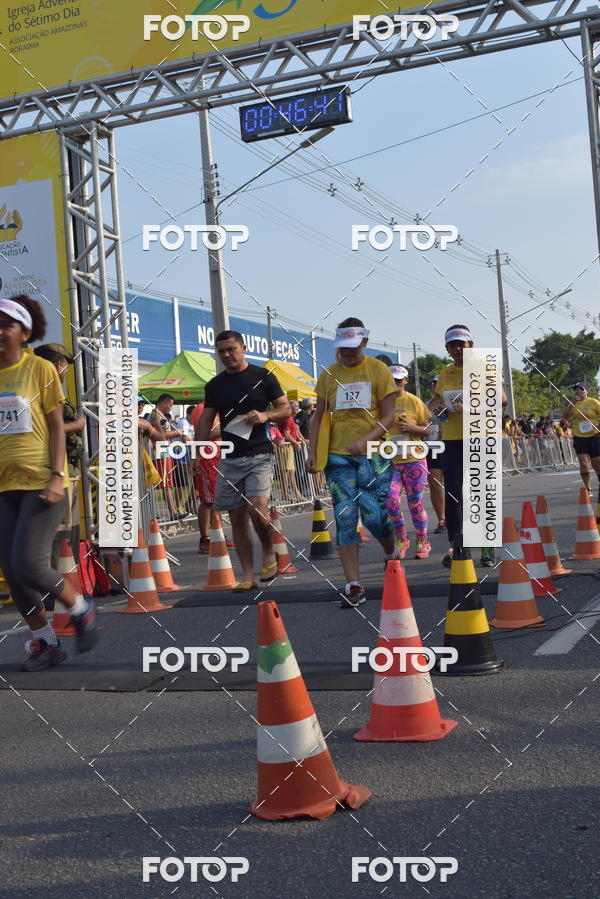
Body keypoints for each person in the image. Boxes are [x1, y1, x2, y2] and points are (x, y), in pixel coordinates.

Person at [0, 294, 98, 671]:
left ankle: (80, 607)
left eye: (6, 325)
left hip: (42, 482)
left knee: (27, 563)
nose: (0, 332)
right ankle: (46, 643)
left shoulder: (39, 370)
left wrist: (58, 475)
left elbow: (58, 427)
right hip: (3, 487)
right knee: (11, 571)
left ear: (24, 333)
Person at [306, 317, 398, 608]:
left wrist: (366, 441)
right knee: (345, 518)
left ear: (364, 343)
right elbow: (318, 416)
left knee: (374, 517)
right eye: (342, 347)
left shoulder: (378, 370)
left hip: (374, 456)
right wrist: (312, 452)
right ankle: (353, 584)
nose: (346, 352)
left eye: (352, 347)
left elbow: (389, 417)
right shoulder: (329, 375)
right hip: (338, 456)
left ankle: (390, 552)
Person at [195, 331, 291, 591]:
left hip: (259, 453)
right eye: (221, 351)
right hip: (229, 456)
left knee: (257, 507)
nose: (227, 355)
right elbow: (206, 420)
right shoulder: (215, 385)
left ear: (243, 348)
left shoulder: (263, 377)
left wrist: (265, 415)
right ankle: (248, 574)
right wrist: (198, 451)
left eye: (231, 349)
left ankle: (269, 551)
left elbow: (286, 408)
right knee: (236, 517)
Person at [429, 324, 507, 568]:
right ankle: (457, 548)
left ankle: (486, 548)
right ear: (447, 349)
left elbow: (502, 400)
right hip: (452, 439)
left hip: (480, 437)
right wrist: (437, 409)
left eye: (462, 344)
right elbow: (437, 403)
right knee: (453, 493)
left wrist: (474, 408)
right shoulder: (444, 374)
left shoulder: (485, 368)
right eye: (453, 345)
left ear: (471, 345)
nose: (458, 348)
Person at [34, 343, 85, 571]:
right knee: (60, 529)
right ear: (58, 365)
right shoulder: (42, 390)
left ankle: (68, 576)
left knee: (70, 527)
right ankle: (59, 581)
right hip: (54, 469)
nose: (66, 372)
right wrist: (77, 424)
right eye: (65, 366)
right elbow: (48, 428)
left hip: (67, 468)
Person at [385, 364, 431, 559]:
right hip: (390, 461)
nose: (395, 384)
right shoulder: (382, 403)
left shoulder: (414, 401)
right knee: (390, 501)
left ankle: (422, 541)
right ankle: (402, 538)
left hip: (414, 460)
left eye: (398, 380)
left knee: (415, 503)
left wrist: (413, 428)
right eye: (391, 380)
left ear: (405, 380)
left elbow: (429, 429)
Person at [189, 402, 234, 554]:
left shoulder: (216, 409)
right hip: (208, 457)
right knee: (208, 501)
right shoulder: (203, 409)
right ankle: (206, 538)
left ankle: (217, 534)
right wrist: (228, 425)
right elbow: (205, 434)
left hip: (217, 456)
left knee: (217, 499)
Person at [150, 393, 188, 521]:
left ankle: (173, 511)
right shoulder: (156, 415)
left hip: (164, 450)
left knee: (168, 483)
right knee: (166, 484)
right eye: (170, 405)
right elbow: (161, 435)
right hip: (161, 451)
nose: (171, 408)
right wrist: (178, 432)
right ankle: (172, 512)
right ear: (163, 403)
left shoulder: (158, 415)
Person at [563, 382, 600, 497]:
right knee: (583, 464)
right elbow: (565, 416)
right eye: (577, 390)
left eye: (582, 389)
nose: (579, 391)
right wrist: (572, 404)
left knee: (597, 464)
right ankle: (587, 488)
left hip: (594, 436)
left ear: (586, 391)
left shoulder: (593, 402)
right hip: (580, 438)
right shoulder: (573, 404)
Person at [426, 374, 446, 534]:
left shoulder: (452, 402)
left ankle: (461, 515)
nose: (435, 386)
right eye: (433, 384)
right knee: (434, 483)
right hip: (431, 447)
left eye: (438, 383)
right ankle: (442, 519)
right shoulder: (425, 405)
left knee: (456, 485)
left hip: (450, 445)